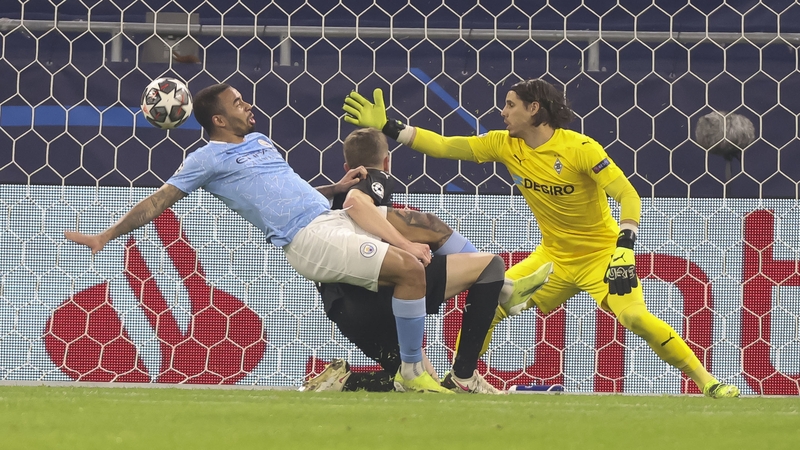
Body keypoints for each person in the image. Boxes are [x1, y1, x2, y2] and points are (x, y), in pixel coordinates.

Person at [342, 79, 741, 398]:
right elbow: (447, 146)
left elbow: (627, 194)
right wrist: (390, 127)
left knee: (634, 317)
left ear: (535, 109)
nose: (503, 111)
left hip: (602, 256)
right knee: (490, 294)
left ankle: (707, 381)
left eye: (511, 104)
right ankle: (460, 379)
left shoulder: (580, 148)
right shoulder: (505, 144)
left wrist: (625, 246)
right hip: (553, 258)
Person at [64, 83, 453, 394]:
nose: (248, 105)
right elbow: (158, 201)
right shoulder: (206, 159)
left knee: (426, 232)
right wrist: (106, 235)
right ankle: (413, 370)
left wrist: (337, 186)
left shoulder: (261, 141)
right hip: (306, 238)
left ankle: (479, 305)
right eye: (238, 103)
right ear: (219, 118)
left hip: (330, 217)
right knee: (408, 266)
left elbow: (287, 191)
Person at [301, 128, 552, 394]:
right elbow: (356, 202)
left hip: (348, 310)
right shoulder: (373, 177)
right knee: (489, 265)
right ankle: (465, 372)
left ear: (345, 166)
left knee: (419, 386)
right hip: (377, 297)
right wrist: (405, 244)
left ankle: (345, 383)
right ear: (387, 160)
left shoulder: (330, 202)